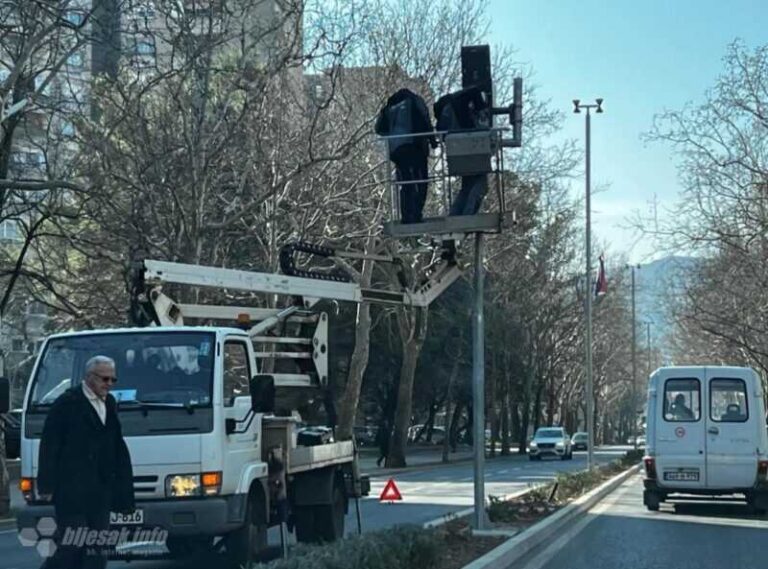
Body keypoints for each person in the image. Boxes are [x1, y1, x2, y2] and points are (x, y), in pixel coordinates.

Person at [38, 355, 135, 569]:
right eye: (104, 379)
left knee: (97, 548)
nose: (109, 384)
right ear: (89, 377)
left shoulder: (109, 403)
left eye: (113, 379)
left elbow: (115, 444)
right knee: (72, 544)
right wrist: (46, 485)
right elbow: (50, 444)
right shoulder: (68, 403)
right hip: (71, 489)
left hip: (100, 490)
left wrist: (123, 488)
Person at [375, 88, 435, 224]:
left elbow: (378, 129)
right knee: (421, 181)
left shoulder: (389, 106)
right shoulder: (415, 101)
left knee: (406, 182)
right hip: (416, 147)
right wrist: (432, 141)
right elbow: (424, 121)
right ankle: (417, 214)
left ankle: (407, 216)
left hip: (397, 150)